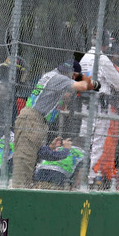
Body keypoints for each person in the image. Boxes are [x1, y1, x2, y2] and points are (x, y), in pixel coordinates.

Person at [10, 56, 99, 190]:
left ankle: (22, 192)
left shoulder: (51, 76)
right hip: (32, 121)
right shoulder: (59, 78)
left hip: (34, 122)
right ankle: (17, 197)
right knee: (24, 164)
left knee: (30, 161)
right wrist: (95, 83)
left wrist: (52, 148)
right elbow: (82, 86)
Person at [78, 31, 119, 189]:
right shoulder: (103, 59)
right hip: (100, 105)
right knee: (98, 142)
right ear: (105, 44)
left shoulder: (83, 56)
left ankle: (79, 175)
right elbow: (118, 83)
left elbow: (80, 80)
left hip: (86, 103)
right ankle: (90, 179)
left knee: (84, 140)